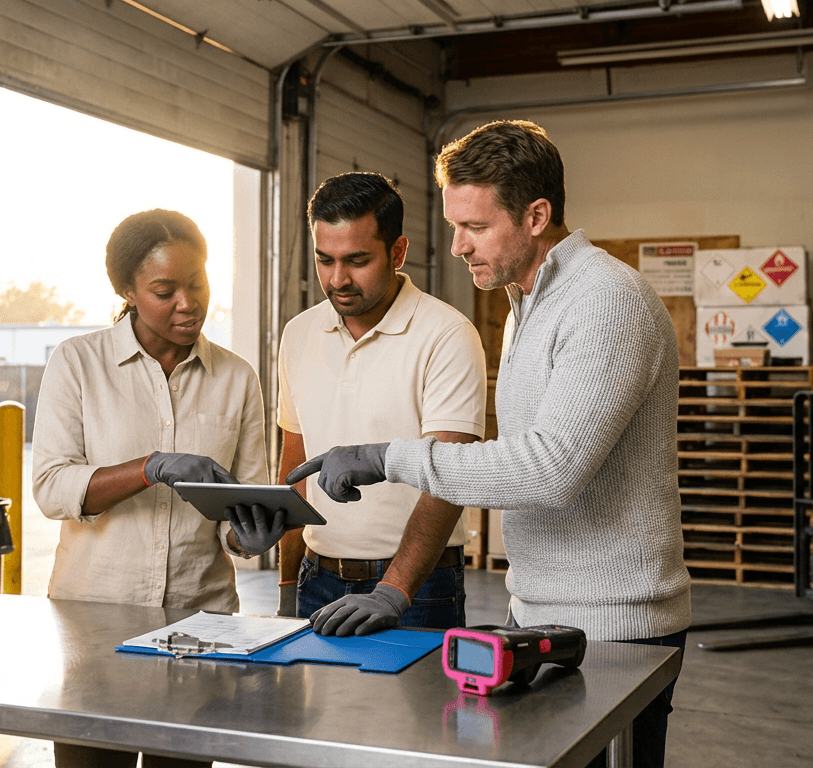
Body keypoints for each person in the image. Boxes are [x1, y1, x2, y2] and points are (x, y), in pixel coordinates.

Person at [287, 121, 690, 768]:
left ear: (537, 215)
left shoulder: (606, 301)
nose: (456, 247)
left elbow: (549, 470)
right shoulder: (527, 303)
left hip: (619, 628)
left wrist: (385, 457)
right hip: (542, 615)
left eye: (474, 227)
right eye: (454, 226)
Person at [32, 209, 286, 768]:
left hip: (202, 624)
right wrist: (149, 467)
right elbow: (52, 489)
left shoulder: (236, 377)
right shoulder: (78, 364)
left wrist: (250, 537)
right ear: (126, 290)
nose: (188, 303)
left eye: (196, 284)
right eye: (164, 290)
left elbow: (238, 514)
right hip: (96, 619)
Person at [277, 172, 487, 637]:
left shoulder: (446, 334)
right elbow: (295, 463)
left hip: (418, 590)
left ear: (397, 252)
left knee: (412, 713)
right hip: (316, 581)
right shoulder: (299, 335)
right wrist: (288, 585)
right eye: (324, 260)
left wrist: (394, 589)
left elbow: (448, 478)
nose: (337, 279)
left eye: (356, 260)